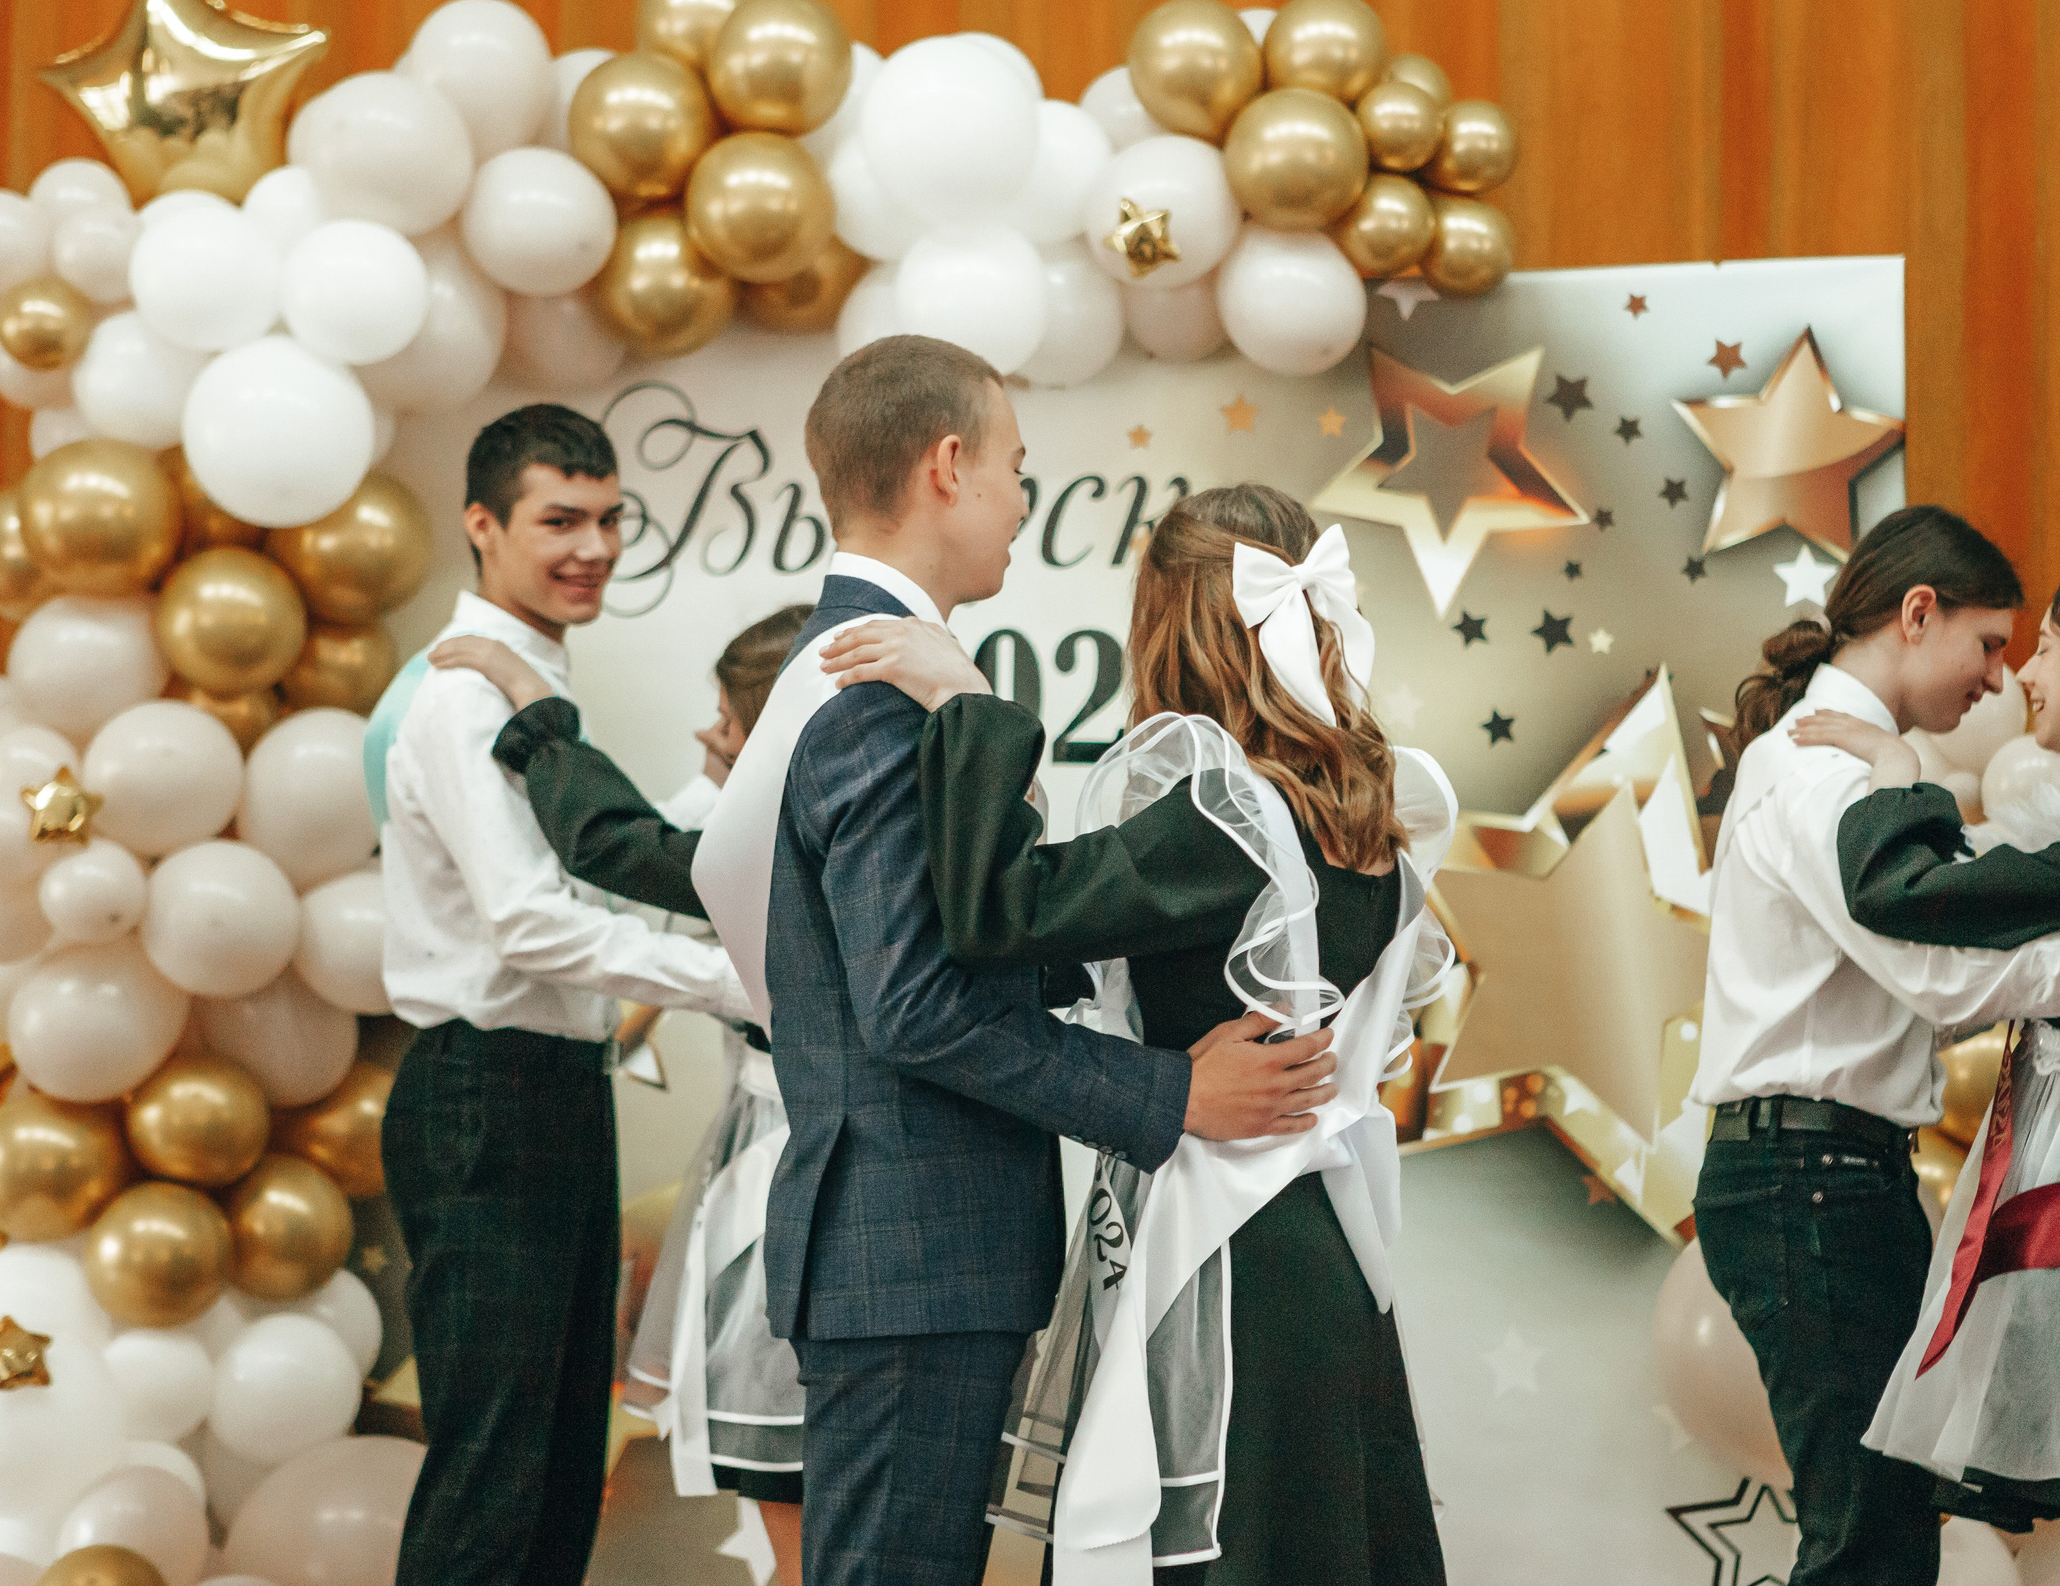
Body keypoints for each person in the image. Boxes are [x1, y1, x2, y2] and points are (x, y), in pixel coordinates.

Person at [681, 335, 1340, 1586]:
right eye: (1016, 469)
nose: (1023, 504)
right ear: (947, 467)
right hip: (910, 1248)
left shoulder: (870, 669)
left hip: (915, 1245)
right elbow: (916, 1007)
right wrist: (1172, 1095)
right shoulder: (875, 689)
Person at [822, 483, 1456, 1584]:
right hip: (1315, 1240)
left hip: (1230, 1249)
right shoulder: (1360, 799)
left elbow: (996, 918)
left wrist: (975, 707)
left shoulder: (1226, 810)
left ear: (1166, 622)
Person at [1689, 505, 2060, 1586]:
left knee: (1887, 1532)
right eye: (1994, 643)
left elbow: (1945, 982)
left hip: (1835, 1175)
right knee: (1867, 1538)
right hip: (1806, 1178)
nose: (2003, 678)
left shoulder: (1866, 772)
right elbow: (1941, 970)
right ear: (1916, 613)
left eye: (2029, 649)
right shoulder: (1824, 772)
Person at [374, 404, 755, 1586]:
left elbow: (598, 865)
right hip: (484, 1091)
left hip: (540, 1090)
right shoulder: (463, 697)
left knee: (548, 1467)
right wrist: (742, 985)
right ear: (482, 526)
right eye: (559, 520)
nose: (592, 546)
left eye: (608, 519)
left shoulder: (528, 674)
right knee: (497, 1466)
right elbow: (527, 922)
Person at [429, 603, 816, 1585]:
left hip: (789, 1198)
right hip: (769, 1174)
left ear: (768, 743)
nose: (704, 735)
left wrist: (531, 704)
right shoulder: (773, 835)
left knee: (796, 1500)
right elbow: (647, 847)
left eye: (725, 721)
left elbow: (611, 847)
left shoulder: (775, 860)